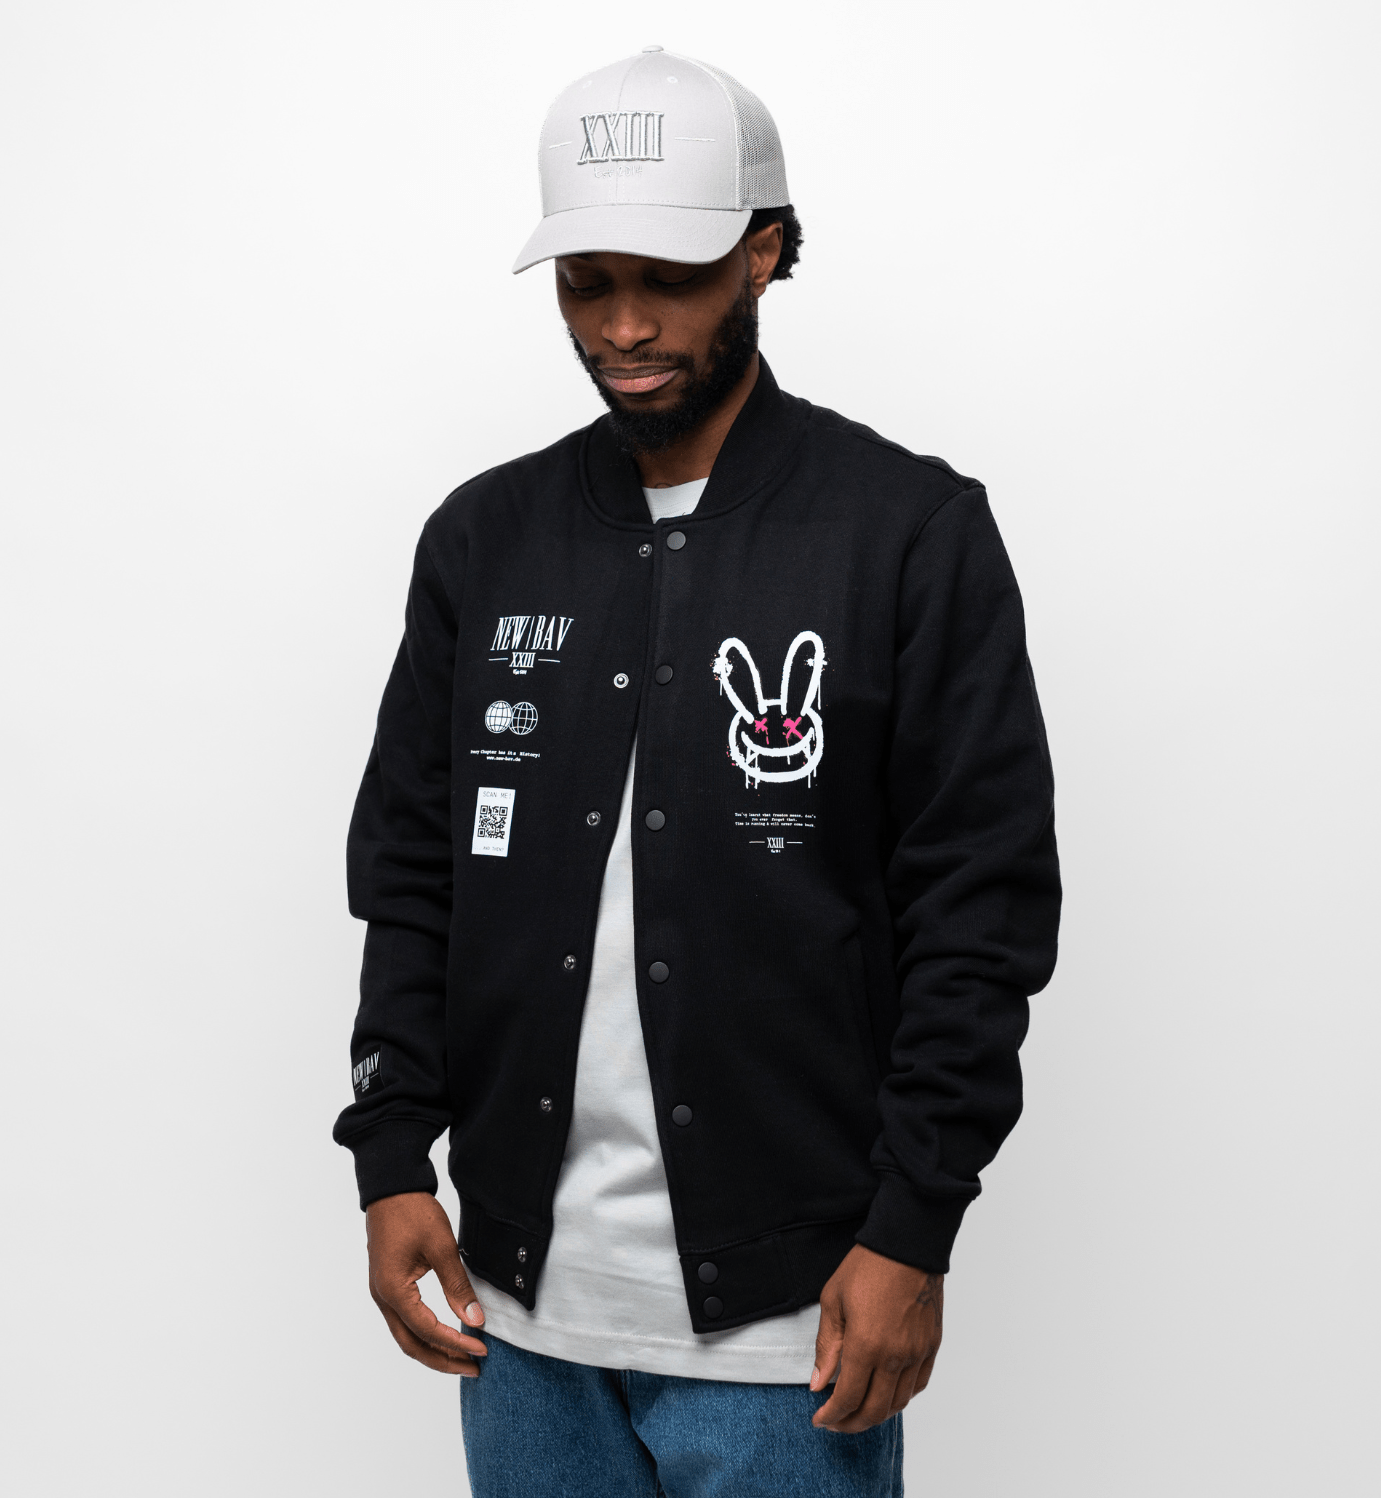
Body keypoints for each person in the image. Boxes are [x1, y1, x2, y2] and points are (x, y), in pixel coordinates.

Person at [334, 45, 1060, 1498]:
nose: (623, 325)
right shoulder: (483, 540)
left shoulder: (908, 534)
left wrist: (913, 1228)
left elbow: (978, 912)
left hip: (792, 1332)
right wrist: (394, 1153)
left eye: (668, 277)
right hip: (517, 1321)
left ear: (765, 251)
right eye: (585, 282)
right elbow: (413, 869)